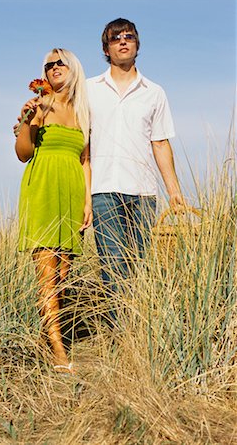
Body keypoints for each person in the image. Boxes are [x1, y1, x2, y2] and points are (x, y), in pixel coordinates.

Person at [87, 18, 185, 300]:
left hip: (143, 192)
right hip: (103, 189)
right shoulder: (89, 88)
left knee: (138, 265)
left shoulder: (154, 92)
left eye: (128, 36)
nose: (123, 41)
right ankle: (120, 334)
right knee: (112, 264)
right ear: (106, 49)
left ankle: (137, 334)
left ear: (137, 44)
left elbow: (160, 142)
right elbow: (80, 141)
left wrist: (174, 191)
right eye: (115, 38)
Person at [15, 48, 92, 374]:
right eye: (49, 65)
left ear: (73, 69)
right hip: (43, 189)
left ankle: (45, 334)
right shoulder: (39, 106)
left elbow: (85, 159)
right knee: (46, 277)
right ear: (44, 74)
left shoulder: (83, 112)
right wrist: (28, 121)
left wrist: (87, 201)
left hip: (72, 195)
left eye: (60, 62)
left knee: (62, 276)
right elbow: (22, 153)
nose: (54, 67)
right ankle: (58, 352)